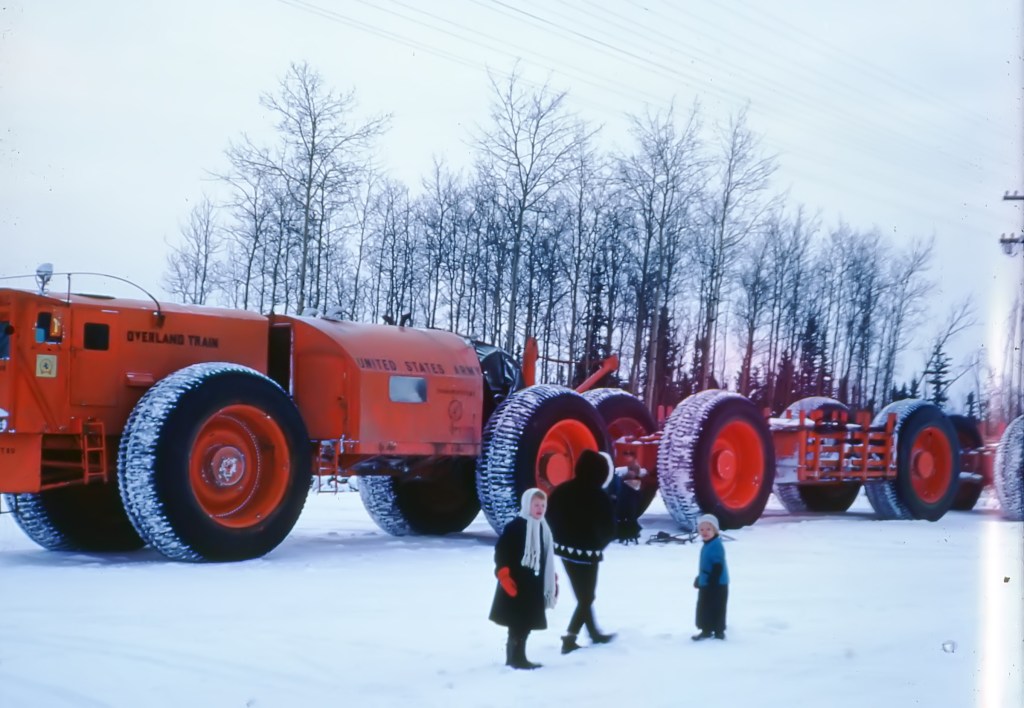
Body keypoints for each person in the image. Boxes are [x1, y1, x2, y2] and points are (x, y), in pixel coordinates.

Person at [546, 449, 617, 654]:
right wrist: (597, 545)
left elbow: (550, 518)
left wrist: (559, 539)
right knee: (587, 597)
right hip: (588, 554)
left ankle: (593, 632)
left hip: (565, 551)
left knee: (583, 596)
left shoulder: (562, 490)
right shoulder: (600, 497)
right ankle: (570, 637)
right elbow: (609, 528)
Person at [488, 488, 557, 669]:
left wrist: (552, 577)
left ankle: (519, 656)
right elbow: (502, 552)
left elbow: (545, 555)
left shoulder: (544, 528)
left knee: (526, 623)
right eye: (536, 505)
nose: (540, 509)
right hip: (516, 583)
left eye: (543, 505)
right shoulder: (516, 526)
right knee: (517, 623)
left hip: (534, 585)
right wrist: (503, 574)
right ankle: (515, 658)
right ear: (527, 505)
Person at [692, 513, 729, 641]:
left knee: (717, 606)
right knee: (704, 607)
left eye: (708, 529)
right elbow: (705, 565)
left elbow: (718, 564)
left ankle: (719, 631)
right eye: (701, 529)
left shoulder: (716, 544)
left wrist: (713, 579)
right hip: (707, 582)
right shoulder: (707, 544)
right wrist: (699, 578)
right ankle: (706, 630)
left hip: (717, 583)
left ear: (715, 530)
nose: (704, 532)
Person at [613, 449, 648, 544]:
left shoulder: (634, 467)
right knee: (625, 516)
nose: (627, 456)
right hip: (627, 493)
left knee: (628, 516)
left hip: (630, 492)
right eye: (626, 454)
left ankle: (628, 534)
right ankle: (626, 534)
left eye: (629, 454)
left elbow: (634, 475)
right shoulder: (629, 468)